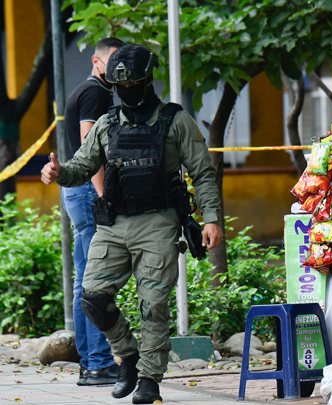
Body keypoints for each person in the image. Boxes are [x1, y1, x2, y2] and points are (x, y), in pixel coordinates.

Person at [41, 43, 223, 404]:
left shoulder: (175, 120)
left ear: (147, 81)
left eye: (132, 85)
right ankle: (128, 355)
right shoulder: (107, 124)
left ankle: (149, 381)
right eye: (118, 87)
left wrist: (212, 219)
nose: (126, 92)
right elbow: (82, 166)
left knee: (152, 304)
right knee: (92, 297)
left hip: (158, 222)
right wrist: (59, 171)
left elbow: (203, 173)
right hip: (113, 224)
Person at [62, 37, 125, 387]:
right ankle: (98, 363)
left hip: (79, 191)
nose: (119, 67)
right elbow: (92, 145)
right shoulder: (96, 93)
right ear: (96, 62)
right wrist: (103, 196)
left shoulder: (91, 91)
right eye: (113, 60)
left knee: (84, 280)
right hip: (87, 190)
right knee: (94, 281)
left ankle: (92, 362)